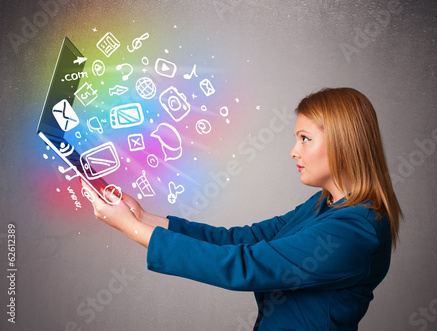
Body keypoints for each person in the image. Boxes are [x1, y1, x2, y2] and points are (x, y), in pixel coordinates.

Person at [81, 87, 402, 330]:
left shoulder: (354, 230)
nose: (294, 151)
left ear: (343, 142)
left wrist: (132, 229)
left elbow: (244, 265)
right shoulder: (324, 205)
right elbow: (242, 240)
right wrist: (142, 216)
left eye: (305, 138)